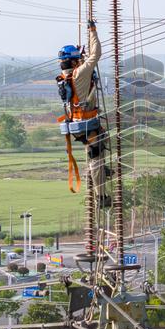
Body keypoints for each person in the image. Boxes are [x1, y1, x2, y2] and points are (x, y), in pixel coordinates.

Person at [57, 18, 110, 205]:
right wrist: (92, 31)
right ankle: (101, 196)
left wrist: (80, 57)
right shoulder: (80, 73)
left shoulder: (66, 76)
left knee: (101, 143)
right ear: (74, 60)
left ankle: (102, 173)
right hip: (86, 123)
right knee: (95, 157)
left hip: (77, 125)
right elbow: (96, 55)